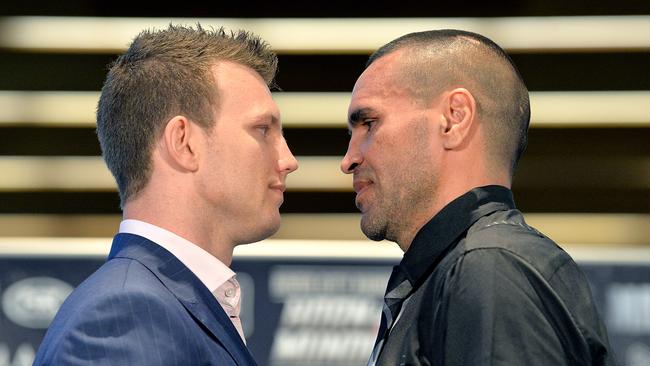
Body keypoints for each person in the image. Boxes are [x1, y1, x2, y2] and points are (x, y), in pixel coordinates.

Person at [341, 29, 615, 365]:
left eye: (369, 122)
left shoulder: (489, 268)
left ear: (454, 118)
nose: (348, 159)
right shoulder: (464, 271)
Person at [34, 24, 298, 365]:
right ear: (184, 143)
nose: (288, 160)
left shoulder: (157, 303)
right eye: (262, 130)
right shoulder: (125, 315)